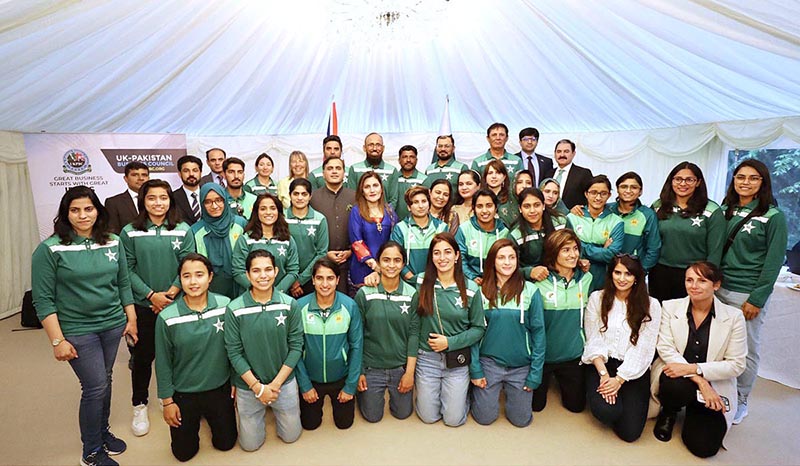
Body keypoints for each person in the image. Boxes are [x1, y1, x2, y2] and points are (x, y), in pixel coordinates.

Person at [32, 186, 137, 466]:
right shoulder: (50, 248)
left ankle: (103, 434)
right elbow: (43, 300)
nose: (83, 215)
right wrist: (57, 341)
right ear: (66, 214)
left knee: (105, 380)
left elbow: (123, 283)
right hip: (77, 330)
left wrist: (131, 318)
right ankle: (91, 451)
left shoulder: (113, 241)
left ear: (98, 211)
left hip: (112, 324)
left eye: (88, 209)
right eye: (75, 210)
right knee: (94, 386)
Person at [119, 179, 196, 437]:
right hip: (144, 306)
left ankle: (178, 399)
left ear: (170, 200)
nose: (158, 203)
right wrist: (152, 295)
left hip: (177, 303)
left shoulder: (183, 229)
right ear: (143, 201)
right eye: (152, 198)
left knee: (180, 355)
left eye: (163, 197)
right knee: (142, 358)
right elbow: (125, 269)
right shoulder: (130, 231)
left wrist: (171, 293)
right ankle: (139, 404)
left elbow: (189, 265)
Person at [650, 262, 746, 458]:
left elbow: (737, 364)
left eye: (702, 281)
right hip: (677, 376)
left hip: (713, 381)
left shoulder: (734, 317)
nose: (694, 286)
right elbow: (665, 348)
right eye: (689, 280)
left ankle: (696, 408)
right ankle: (669, 410)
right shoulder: (670, 307)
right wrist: (700, 381)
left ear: (716, 285)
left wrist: (697, 371)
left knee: (704, 447)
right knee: (674, 384)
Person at [717, 159, 788, 424]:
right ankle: (717, 391)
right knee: (719, 344)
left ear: (763, 182)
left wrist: (757, 297)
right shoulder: (725, 210)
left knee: (746, 348)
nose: (745, 182)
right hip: (719, 288)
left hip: (746, 293)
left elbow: (774, 260)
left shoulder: (773, 216)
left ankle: (742, 398)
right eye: (740, 176)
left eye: (753, 178)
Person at [154, 254, 237, 461]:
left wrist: (236, 381)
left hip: (219, 388)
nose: (193, 282)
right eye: (186, 276)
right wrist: (167, 402)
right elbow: (163, 362)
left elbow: (235, 348)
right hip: (184, 393)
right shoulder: (167, 317)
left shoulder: (226, 305)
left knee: (226, 444)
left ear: (210, 277)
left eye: (199, 275)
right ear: (180, 280)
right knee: (183, 454)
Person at [225, 249, 304, 450]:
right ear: (248, 274)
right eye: (256, 270)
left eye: (268, 269)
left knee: (291, 437)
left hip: (283, 382)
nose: (263, 276)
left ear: (276, 271)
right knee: (250, 446)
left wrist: (275, 385)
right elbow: (234, 352)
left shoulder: (290, 304)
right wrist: (258, 388)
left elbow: (296, 347)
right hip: (249, 386)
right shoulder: (234, 308)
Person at [582, 254, 661, 442]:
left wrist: (619, 380)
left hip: (633, 367)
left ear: (636, 278)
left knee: (630, 433)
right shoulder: (597, 298)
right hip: (602, 363)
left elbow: (644, 347)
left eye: (628, 274)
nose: (622, 278)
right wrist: (604, 376)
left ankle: (626, 401)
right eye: (617, 272)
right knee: (607, 411)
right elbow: (593, 338)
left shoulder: (652, 305)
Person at [470, 239, 545, 427]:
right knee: (484, 418)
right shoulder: (480, 293)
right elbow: (473, 334)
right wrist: (476, 369)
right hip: (489, 364)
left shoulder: (531, 291)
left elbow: (539, 334)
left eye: (511, 257)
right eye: (501, 257)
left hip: (521, 366)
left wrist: (535, 373)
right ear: (492, 261)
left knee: (521, 421)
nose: (507, 262)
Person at [415, 233, 485, 427]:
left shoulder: (470, 288)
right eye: (436, 253)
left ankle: (462, 396)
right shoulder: (421, 282)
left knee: (453, 420)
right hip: (427, 358)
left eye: (447, 252)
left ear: (456, 255)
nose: (442, 258)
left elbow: (478, 328)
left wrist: (450, 342)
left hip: (457, 359)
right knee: (428, 417)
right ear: (431, 257)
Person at [355, 242, 420, 422]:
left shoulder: (412, 294)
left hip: (399, 366)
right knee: (372, 417)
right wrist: (358, 371)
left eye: (397, 260)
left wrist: (409, 373)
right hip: (371, 366)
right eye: (386, 260)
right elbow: (356, 335)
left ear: (403, 263)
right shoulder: (364, 293)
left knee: (402, 414)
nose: (391, 265)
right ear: (378, 262)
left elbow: (414, 334)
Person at [295, 258, 364, 430]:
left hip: (341, 376)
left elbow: (356, 347)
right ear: (312, 280)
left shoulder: (350, 306)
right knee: (310, 425)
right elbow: (294, 349)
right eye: (319, 278)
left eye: (330, 278)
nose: (325, 284)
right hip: (311, 378)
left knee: (344, 424)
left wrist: (350, 386)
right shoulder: (299, 307)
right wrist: (305, 386)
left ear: (338, 280)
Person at [532, 229, 593, 413]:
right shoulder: (538, 283)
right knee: (536, 407)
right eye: (566, 250)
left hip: (572, 356)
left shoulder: (587, 279)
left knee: (575, 407)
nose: (573, 254)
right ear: (553, 252)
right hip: (543, 357)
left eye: (575, 249)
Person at [650, 162, 725, 302]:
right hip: (660, 272)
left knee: (687, 318)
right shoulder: (658, 206)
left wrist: (707, 278)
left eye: (689, 179)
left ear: (698, 182)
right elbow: (650, 240)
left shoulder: (711, 210)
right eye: (678, 179)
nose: (683, 184)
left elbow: (715, 251)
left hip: (694, 275)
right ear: (671, 181)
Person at [232, 193, 300, 295]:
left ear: (279, 211)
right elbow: (238, 271)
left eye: (273, 208)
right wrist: (258, 289)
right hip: (251, 296)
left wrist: (276, 292)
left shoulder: (288, 240)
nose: (268, 212)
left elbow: (293, 270)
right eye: (263, 209)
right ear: (256, 212)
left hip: (280, 297)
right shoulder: (245, 239)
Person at [567, 175, 624, 291]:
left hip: (603, 277)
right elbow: (566, 247)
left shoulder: (617, 222)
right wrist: (602, 249)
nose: (598, 197)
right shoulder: (572, 217)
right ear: (586, 194)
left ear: (609, 195)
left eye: (603, 193)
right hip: (576, 273)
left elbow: (611, 254)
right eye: (593, 192)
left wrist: (580, 245)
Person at [191, 183, 247, 299]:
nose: (215, 206)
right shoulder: (195, 231)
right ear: (202, 204)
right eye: (208, 202)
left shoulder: (240, 224)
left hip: (241, 286)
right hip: (210, 289)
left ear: (225, 200)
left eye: (218, 200)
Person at [310, 156, 356, 294]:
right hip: (321, 263)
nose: (334, 172)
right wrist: (325, 254)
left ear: (344, 173)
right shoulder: (313, 198)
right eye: (330, 168)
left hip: (350, 262)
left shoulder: (354, 196)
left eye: (338, 168)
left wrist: (350, 251)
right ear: (323, 173)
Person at [348, 171, 398, 289]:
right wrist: (374, 265)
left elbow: (395, 239)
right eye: (367, 187)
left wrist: (384, 265)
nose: (372, 190)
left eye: (375, 185)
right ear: (362, 191)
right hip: (362, 269)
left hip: (387, 267)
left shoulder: (390, 211)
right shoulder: (356, 211)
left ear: (381, 189)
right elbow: (356, 242)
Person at [390, 186, 448, 285]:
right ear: (409, 207)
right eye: (416, 202)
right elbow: (394, 257)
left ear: (429, 204)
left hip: (436, 283)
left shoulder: (441, 227)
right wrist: (412, 278)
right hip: (409, 284)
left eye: (424, 201)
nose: (421, 206)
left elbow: (447, 257)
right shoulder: (400, 228)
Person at [510, 188, 569, 282]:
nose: (532, 210)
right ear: (520, 209)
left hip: (562, 277)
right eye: (527, 206)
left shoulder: (560, 222)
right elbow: (509, 268)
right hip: (532, 282)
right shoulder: (515, 234)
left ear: (544, 206)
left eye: (537, 205)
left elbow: (575, 247)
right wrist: (529, 272)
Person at [454, 189, 510, 286]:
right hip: (469, 282)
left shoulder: (504, 232)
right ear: (473, 208)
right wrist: (472, 277)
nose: (484, 211)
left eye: (489, 206)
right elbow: (459, 259)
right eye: (479, 206)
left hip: (498, 282)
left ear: (496, 208)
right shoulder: (464, 229)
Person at [285, 178, 329, 297]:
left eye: (304, 194)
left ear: (310, 196)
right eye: (296, 194)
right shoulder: (281, 218)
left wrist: (299, 281)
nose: (300, 198)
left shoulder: (320, 219)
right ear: (290, 195)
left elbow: (322, 253)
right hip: (283, 280)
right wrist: (290, 281)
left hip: (311, 279)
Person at [346, 132, 399, 208]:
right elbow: (352, 198)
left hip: (384, 218)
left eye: (378, 145)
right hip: (361, 217)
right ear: (364, 148)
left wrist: (384, 216)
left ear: (383, 148)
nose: (374, 148)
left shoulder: (392, 170)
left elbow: (393, 200)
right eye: (371, 145)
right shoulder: (354, 169)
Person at [105, 161, 150, 234]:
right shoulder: (113, 202)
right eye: (135, 175)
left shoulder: (158, 201)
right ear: (125, 178)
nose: (140, 178)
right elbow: (113, 232)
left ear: (149, 178)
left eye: (144, 175)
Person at [552, 139, 593, 210]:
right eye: (559, 151)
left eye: (566, 151)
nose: (562, 155)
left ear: (573, 154)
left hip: (574, 218)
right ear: (555, 154)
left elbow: (591, 197)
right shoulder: (548, 173)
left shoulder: (583, 174)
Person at [390, 144, 426, 221]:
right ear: (399, 160)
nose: (408, 160)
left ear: (416, 160)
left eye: (412, 157)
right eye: (405, 157)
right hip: (394, 223)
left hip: (417, 223)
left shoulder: (424, 179)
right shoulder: (393, 178)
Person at [482, 159, 516, 228]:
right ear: (485, 177)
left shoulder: (512, 197)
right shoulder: (479, 197)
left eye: (498, 173)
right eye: (490, 173)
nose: (494, 176)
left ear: (504, 176)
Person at [172, 155, 203, 225]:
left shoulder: (209, 194)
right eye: (186, 171)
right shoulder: (172, 197)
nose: (191, 174)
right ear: (180, 174)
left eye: (195, 170)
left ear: (201, 173)